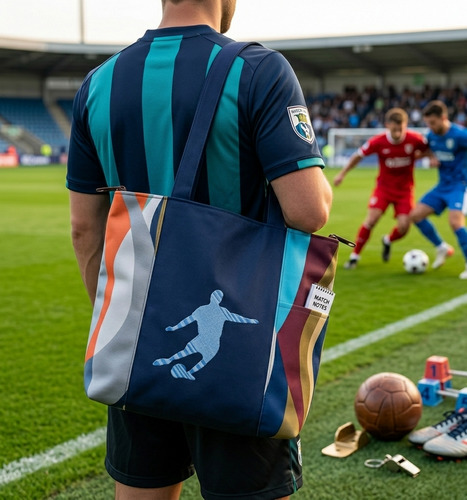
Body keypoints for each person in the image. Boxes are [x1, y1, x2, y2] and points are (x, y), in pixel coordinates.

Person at [67, 1, 333, 499]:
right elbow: (308, 211)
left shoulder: (99, 83)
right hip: (239, 364)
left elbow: (85, 229)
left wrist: (131, 326)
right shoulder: (259, 70)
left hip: (135, 344)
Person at [333, 108, 428, 268]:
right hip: (384, 189)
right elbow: (358, 156)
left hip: (405, 191)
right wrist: (342, 173)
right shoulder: (378, 141)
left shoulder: (415, 139)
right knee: (371, 220)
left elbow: (429, 150)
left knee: (404, 227)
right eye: (394, 129)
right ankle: (355, 256)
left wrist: (426, 157)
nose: (398, 133)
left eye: (401, 129)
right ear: (387, 125)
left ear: (405, 125)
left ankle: (388, 240)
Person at [410, 100, 467, 279]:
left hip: (460, 185)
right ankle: (442, 247)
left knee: (455, 222)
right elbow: (427, 150)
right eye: (428, 123)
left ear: (443, 118)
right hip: (442, 186)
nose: (430, 127)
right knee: (416, 215)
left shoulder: (460, 135)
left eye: (433, 123)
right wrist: (431, 157)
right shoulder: (431, 136)